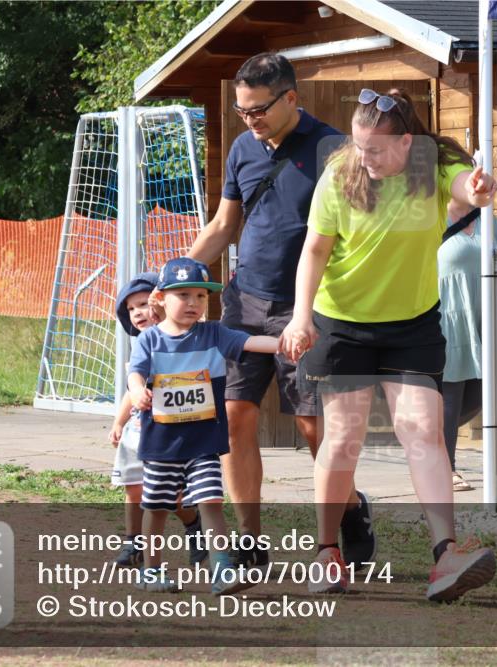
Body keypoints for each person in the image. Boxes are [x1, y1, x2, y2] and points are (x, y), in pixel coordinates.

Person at [281, 88, 497, 602]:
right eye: (358, 146)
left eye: (375, 148)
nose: (365, 157)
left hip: (412, 324)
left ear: (407, 142)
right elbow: (314, 250)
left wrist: (479, 188)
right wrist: (300, 317)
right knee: (344, 439)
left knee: (425, 432)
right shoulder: (340, 174)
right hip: (342, 323)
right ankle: (328, 553)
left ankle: (445, 555)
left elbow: (467, 188)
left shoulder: (436, 161)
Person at [188, 52, 374, 568]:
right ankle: (249, 540)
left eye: (258, 110)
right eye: (242, 110)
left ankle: (351, 510)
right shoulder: (243, 149)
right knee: (233, 418)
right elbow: (224, 227)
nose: (249, 120)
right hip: (243, 303)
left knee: (314, 428)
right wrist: (175, 271)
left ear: (292, 98)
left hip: (309, 308)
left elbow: (360, 234)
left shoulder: (334, 149)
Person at [127, 257, 278, 594]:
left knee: (211, 501)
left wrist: (287, 344)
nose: (193, 303)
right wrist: (138, 390)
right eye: (183, 296)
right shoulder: (149, 340)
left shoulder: (214, 334)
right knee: (158, 508)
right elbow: (135, 372)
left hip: (204, 444)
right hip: (162, 446)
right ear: (161, 298)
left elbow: (250, 343)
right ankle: (151, 570)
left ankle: (222, 570)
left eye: (200, 296)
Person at [108, 272, 207, 569]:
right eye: (131, 309)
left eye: (142, 304)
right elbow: (132, 388)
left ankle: (194, 528)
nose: (137, 312)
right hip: (139, 430)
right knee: (133, 486)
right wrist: (119, 421)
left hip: (171, 433)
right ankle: (133, 543)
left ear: (161, 302)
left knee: (172, 495)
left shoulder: (183, 340)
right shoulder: (139, 345)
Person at [439, 198, 497, 492]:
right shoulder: (431, 216)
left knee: (479, 395)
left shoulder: (488, 220)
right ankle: (444, 469)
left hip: (483, 316)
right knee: (450, 394)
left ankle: (427, 433)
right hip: (446, 315)